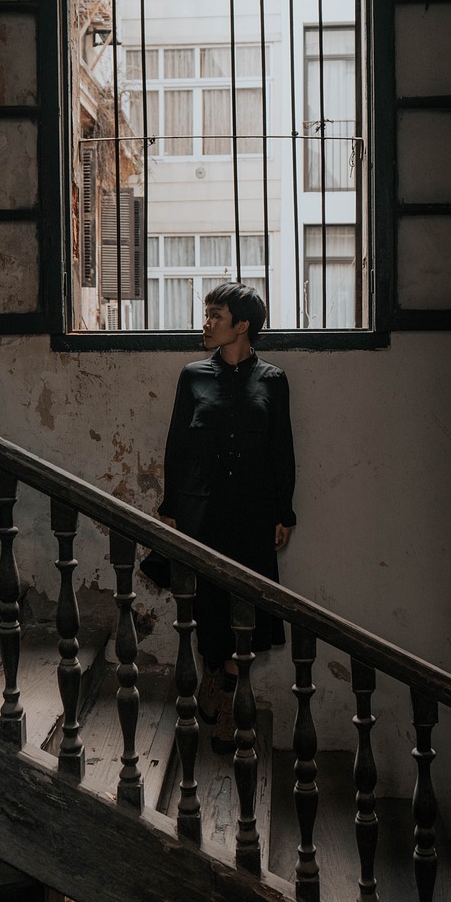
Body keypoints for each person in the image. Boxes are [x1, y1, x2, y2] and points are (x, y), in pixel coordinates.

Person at [158, 283, 296, 753]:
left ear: (243, 324)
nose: (206, 322)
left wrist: (285, 510)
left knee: (251, 605)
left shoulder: (273, 380)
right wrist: (170, 508)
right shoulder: (192, 376)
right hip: (203, 512)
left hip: (255, 514)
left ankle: (232, 687)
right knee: (209, 604)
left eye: (216, 315)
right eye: (206, 313)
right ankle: (215, 680)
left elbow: (282, 449)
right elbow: (177, 446)